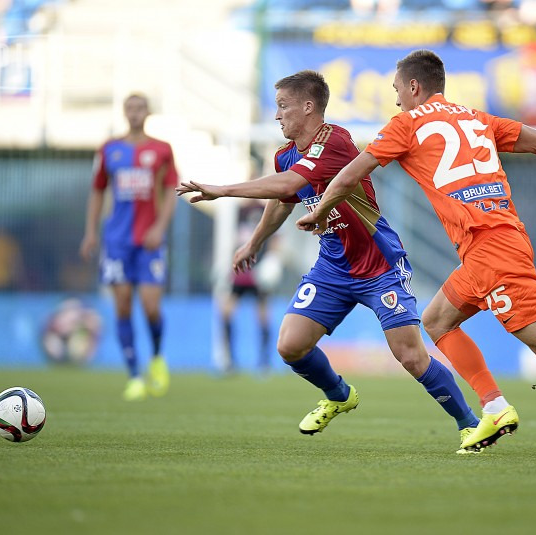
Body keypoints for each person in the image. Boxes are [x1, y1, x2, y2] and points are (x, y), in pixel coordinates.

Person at [296, 49, 536, 461]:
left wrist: (320, 210)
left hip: (492, 251)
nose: (395, 99)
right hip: (492, 245)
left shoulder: (406, 124)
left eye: (397, 90)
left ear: (414, 86)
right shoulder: (478, 118)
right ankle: (495, 407)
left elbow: (351, 174)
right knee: (437, 319)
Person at [176, 70, 485, 452]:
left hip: (379, 265)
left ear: (308, 107)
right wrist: (254, 243)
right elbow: (283, 200)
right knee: (290, 346)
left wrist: (222, 189)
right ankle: (339, 394)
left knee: (409, 355)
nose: (277, 115)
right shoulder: (285, 155)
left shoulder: (334, 141)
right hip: (332, 268)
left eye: (283, 106)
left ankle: (469, 424)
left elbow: (290, 184)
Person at [80, 93, 177, 402]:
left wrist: (159, 227)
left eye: (140, 108)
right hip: (117, 241)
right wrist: (91, 232)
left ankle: (157, 357)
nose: (135, 113)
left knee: (150, 306)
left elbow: (171, 190)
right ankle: (134, 376)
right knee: (122, 305)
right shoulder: (109, 149)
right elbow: (97, 191)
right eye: (130, 108)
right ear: (124, 112)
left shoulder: (162, 149)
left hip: (149, 242)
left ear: (148, 112)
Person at [220, 198, 273, 375]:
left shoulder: (266, 208)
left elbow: (275, 239)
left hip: (260, 271)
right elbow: (235, 239)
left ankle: (264, 362)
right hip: (242, 270)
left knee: (263, 316)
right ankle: (229, 361)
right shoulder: (239, 211)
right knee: (227, 312)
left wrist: (271, 263)